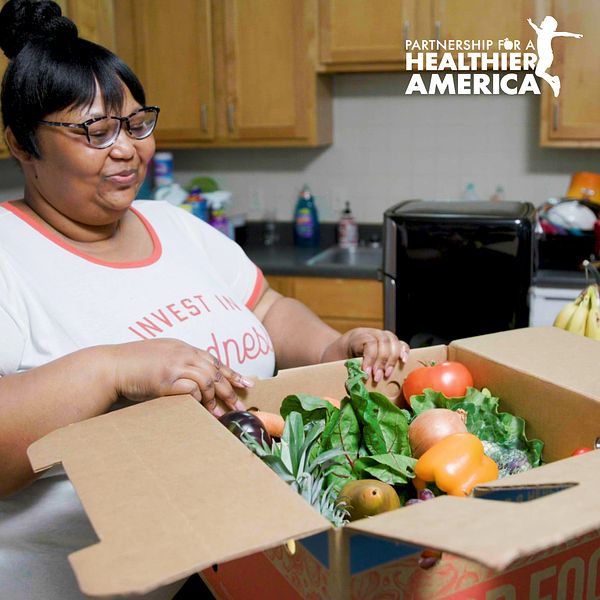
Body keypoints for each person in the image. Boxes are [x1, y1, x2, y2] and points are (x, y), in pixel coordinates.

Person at [0, 1, 409, 598]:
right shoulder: (9, 252)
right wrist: (112, 368)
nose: (125, 149)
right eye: (96, 131)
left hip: (221, 565)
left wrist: (330, 343)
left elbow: (266, 307)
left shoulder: (173, 224)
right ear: (21, 144)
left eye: (137, 124)